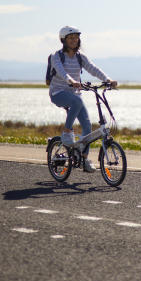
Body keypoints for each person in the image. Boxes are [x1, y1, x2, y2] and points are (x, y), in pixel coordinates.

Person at [48, 26, 117, 173]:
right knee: (77, 101)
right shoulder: (57, 56)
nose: (74, 40)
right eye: (70, 38)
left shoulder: (81, 56)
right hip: (58, 93)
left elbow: (93, 68)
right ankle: (67, 132)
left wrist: (108, 79)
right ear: (63, 40)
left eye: (76, 37)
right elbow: (61, 72)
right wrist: (71, 81)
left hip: (75, 96)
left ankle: (84, 159)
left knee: (87, 127)